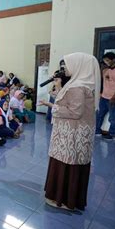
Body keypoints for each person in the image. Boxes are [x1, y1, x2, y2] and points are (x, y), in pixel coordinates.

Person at [39, 52, 100, 211]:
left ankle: (64, 200)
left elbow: (74, 112)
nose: (64, 68)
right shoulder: (83, 84)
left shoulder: (78, 87)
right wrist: (59, 87)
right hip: (74, 134)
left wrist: (54, 108)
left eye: (65, 65)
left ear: (78, 65)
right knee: (71, 164)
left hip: (71, 136)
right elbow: (69, 103)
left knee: (67, 164)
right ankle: (69, 198)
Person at [95, 52, 115, 140]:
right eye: (105, 60)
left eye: (108, 60)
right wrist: (102, 68)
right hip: (104, 97)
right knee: (99, 115)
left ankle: (112, 134)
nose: (106, 62)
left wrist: (114, 97)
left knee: (113, 118)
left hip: (114, 98)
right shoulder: (105, 70)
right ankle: (97, 131)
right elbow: (101, 80)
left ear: (114, 60)